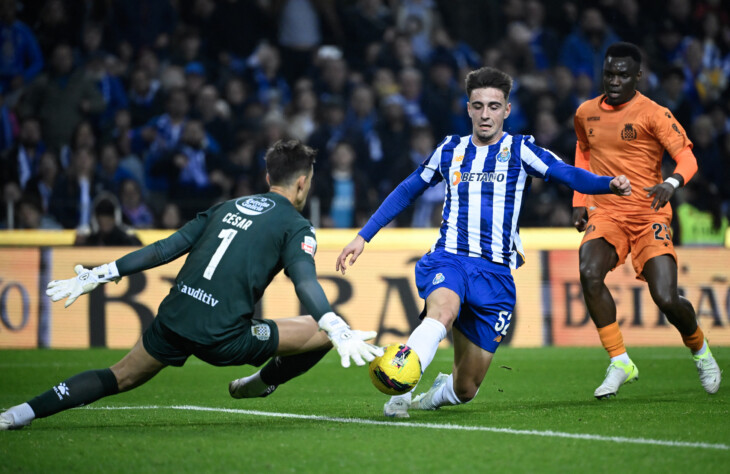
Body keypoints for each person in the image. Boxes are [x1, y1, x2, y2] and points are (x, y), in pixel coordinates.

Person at [0, 139, 382, 430]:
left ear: (267, 178)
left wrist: (97, 274)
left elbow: (165, 249)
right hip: (225, 336)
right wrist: (334, 324)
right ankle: (258, 383)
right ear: (302, 183)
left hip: (175, 319)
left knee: (118, 376)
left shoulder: (225, 207)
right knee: (322, 330)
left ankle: (21, 412)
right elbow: (304, 281)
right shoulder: (296, 226)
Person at [335, 66, 632, 418]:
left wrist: (606, 184)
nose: (485, 114)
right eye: (478, 106)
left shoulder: (521, 150)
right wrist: (363, 236)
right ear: (468, 109)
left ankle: (432, 394)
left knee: (465, 390)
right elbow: (407, 189)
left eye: (494, 106)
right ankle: (401, 388)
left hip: (495, 277)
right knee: (441, 313)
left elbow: (565, 173)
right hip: (451, 259)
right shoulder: (450, 150)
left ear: (507, 110)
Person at [571, 42, 721, 399]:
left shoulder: (654, 113)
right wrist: (579, 198)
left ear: (638, 76)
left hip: (649, 212)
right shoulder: (585, 112)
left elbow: (687, 158)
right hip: (607, 211)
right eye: (609, 73)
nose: (615, 80)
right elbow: (584, 151)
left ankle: (699, 348)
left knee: (666, 299)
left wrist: (671, 183)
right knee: (589, 272)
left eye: (623, 74)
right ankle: (620, 360)